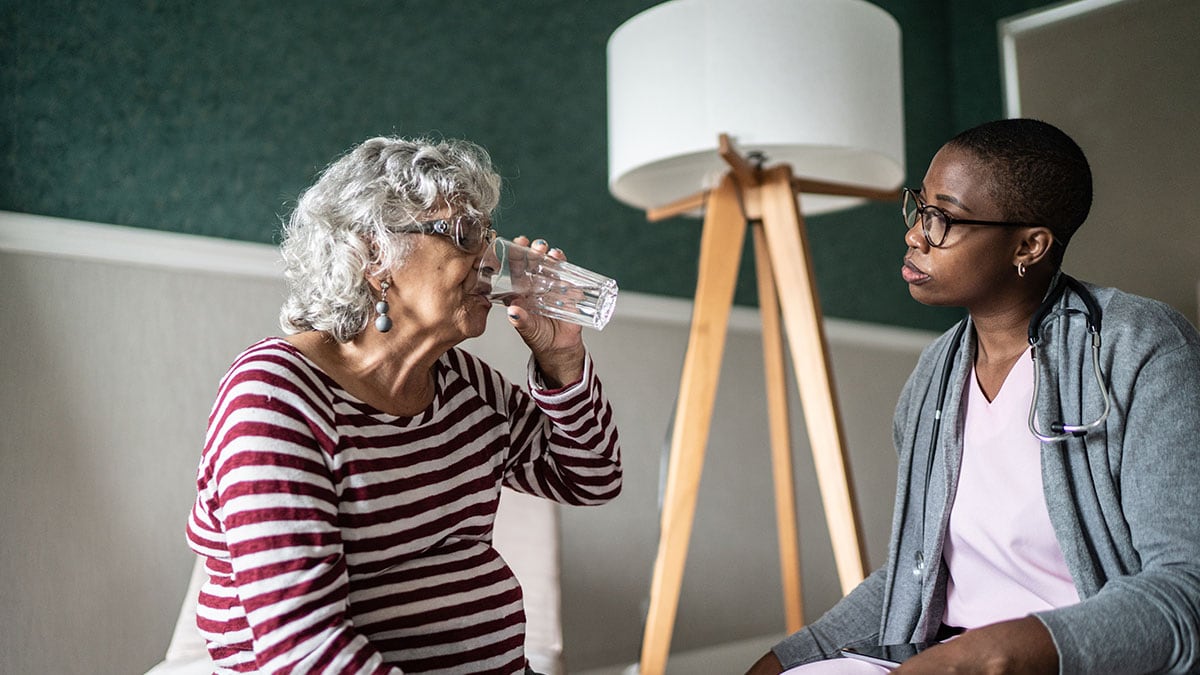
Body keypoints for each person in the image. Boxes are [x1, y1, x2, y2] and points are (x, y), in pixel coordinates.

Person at [746, 118, 1200, 674]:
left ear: (1029, 245)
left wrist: (987, 658)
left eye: (943, 218)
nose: (916, 234)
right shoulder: (933, 376)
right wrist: (787, 659)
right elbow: (912, 574)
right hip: (937, 656)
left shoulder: (1140, 348)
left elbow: (1184, 594)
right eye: (919, 208)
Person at [185, 136, 623, 674]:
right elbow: (305, 651)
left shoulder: (463, 385)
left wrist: (562, 357)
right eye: (465, 234)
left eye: (488, 235)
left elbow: (591, 478)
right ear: (374, 254)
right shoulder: (276, 395)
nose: (490, 258)